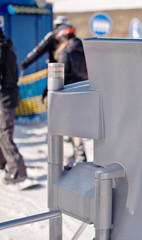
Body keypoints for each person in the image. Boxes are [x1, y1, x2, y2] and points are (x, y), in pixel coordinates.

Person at [55, 26, 88, 169]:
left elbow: (60, 75)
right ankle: (79, 154)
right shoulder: (86, 49)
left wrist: (49, 91)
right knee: (79, 125)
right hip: (86, 91)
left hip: (69, 93)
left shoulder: (65, 52)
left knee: (70, 127)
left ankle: (77, 156)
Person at [0, 29, 27, 184]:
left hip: (5, 97)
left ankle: (18, 171)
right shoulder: (8, 49)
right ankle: (4, 163)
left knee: (4, 133)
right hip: (8, 96)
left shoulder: (2, 51)